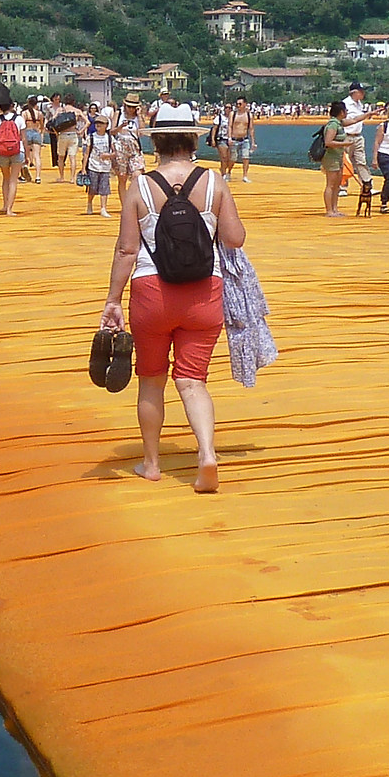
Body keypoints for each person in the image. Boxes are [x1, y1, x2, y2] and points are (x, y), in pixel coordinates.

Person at [99, 101, 246, 494]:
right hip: (204, 292)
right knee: (193, 381)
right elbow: (234, 238)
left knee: (151, 380)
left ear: (157, 142)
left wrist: (113, 300)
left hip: (152, 292)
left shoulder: (140, 187)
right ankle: (207, 454)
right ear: (191, 140)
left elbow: (126, 250)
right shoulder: (214, 182)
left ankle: (150, 463)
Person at [341, 83, 374, 202]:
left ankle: (367, 186)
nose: (363, 93)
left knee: (361, 161)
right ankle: (342, 187)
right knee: (345, 162)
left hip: (358, 136)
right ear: (354, 92)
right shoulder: (345, 104)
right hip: (346, 136)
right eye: (361, 91)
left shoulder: (359, 104)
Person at [0, 102, 25, 213]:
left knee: (6, 179)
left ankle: (5, 205)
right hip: (17, 151)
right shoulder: (19, 119)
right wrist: (28, 156)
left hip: (3, 152)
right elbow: (23, 138)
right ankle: (10, 209)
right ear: (12, 106)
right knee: (13, 180)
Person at [319, 99, 347, 217]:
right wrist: (345, 144)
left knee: (337, 184)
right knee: (330, 184)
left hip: (338, 156)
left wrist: (368, 114)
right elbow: (328, 142)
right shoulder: (333, 125)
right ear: (341, 112)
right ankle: (329, 210)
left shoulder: (339, 123)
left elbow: (355, 120)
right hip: (331, 157)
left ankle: (335, 208)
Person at [227, 96, 255, 182]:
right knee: (233, 158)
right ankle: (229, 172)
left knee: (246, 158)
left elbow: (251, 128)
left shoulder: (249, 115)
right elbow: (230, 126)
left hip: (245, 139)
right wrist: (229, 138)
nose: (238, 105)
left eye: (240, 104)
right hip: (235, 139)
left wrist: (253, 142)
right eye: (237, 104)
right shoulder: (233, 114)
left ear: (245, 104)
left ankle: (245, 176)